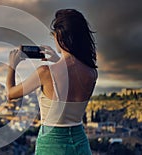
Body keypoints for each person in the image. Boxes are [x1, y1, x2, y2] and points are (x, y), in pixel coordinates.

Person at [6, 9, 97, 155]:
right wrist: (57, 60)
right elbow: (71, 73)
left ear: (60, 36)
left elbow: (10, 94)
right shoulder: (92, 72)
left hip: (52, 144)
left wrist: (12, 66)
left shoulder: (46, 72)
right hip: (80, 143)